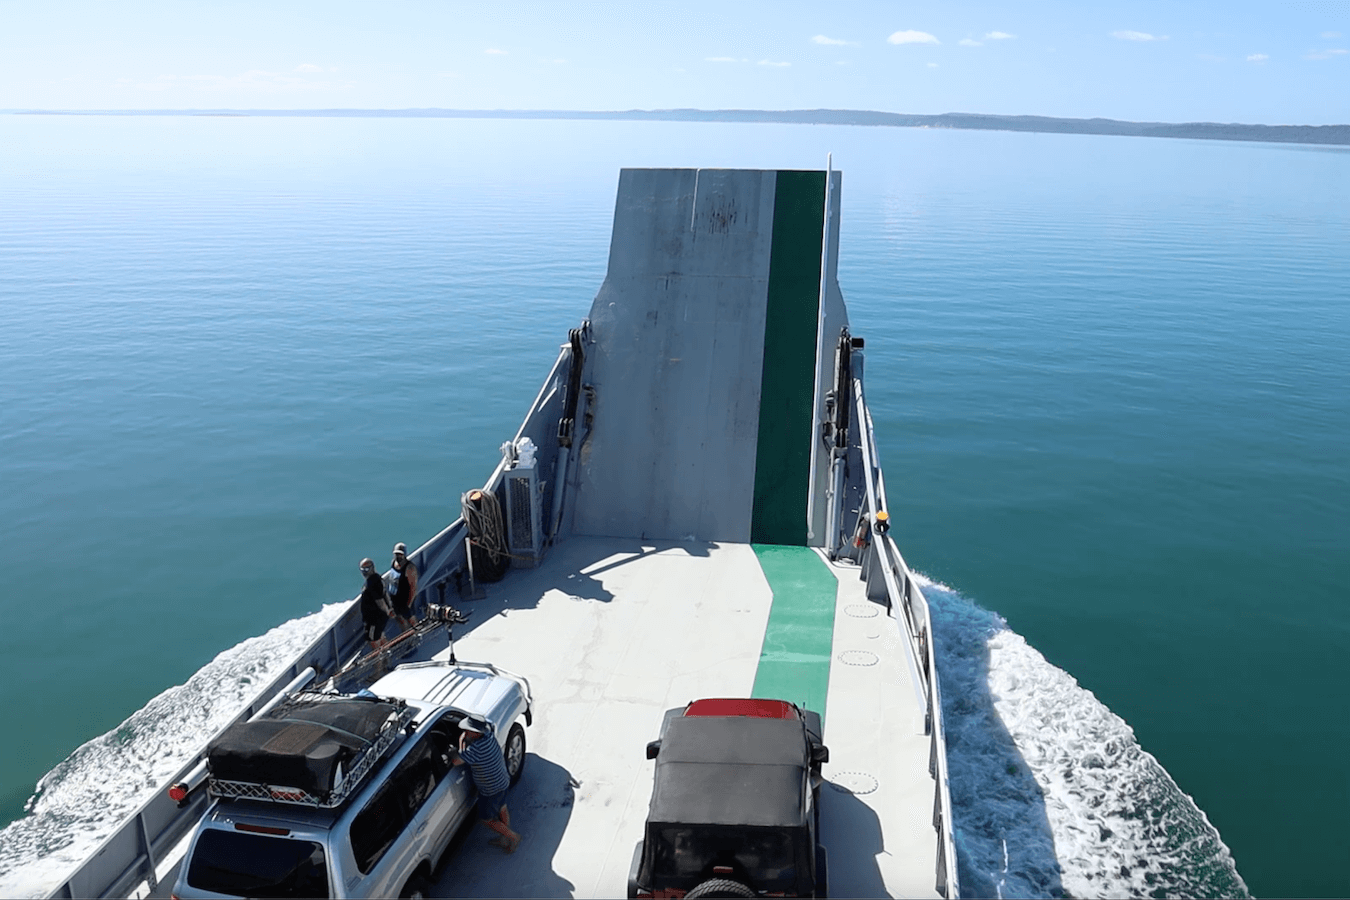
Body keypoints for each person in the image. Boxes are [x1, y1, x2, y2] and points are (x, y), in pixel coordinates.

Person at [452, 716, 521, 853]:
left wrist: (461, 741)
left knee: (486, 819)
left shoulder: (477, 749)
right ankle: (504, 837)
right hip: (502, 781)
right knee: (502, 807)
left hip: (490, 790)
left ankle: (513, 837)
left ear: (476, 733)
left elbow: (456, 761)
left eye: (468, 729)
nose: (465, 731)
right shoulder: (489, 736)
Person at [357, 557, 390, 651]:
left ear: (372, 568)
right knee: (380, 636)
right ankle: (388, 658)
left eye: (367, 569)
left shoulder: (372, 583)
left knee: (374, 641)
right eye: (363, 570)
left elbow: (380, 601)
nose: (364, 572)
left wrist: (387, 611)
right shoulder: (377, 578)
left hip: (374, 619)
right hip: (379, 617)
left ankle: (380, 664)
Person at [389, 542, 419, 630]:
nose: (398, 556)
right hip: (395, 599)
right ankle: (407, 636)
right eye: (396, 554)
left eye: (400, 554)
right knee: (400, 619)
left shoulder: (409, 568)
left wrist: (409, 604)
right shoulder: (393, 563)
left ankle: (418, 633)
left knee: (411, 618)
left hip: (405, 599)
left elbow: (413, 587)